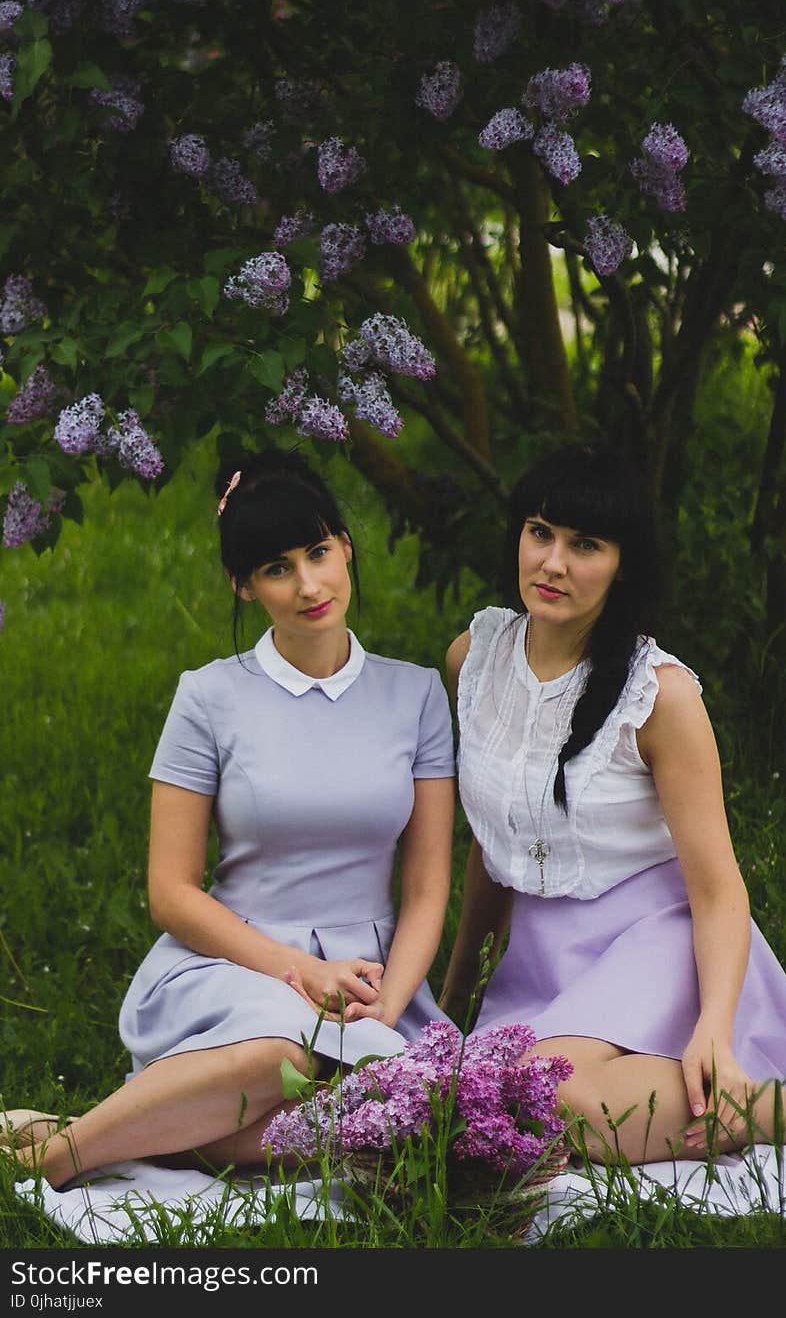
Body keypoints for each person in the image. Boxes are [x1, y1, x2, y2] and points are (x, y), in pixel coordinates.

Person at [3, 447, 456, 1188]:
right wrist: (306, 975)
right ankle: (60, 1159)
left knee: (400, 1113)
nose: (309, 583)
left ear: (345, 545)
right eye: (278, 567)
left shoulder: (416, 695)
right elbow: (170, 891)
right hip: (237, 964)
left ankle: (153, 1130)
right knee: (280, 1057)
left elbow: (429, 888)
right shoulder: (209, 696)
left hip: (376, 982)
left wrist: (383, 1013)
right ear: (242, 585)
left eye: (318, 551)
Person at [439, 442, 786, 1166]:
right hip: (543, 955)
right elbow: (491, 848)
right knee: (505, 1098)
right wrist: (453, 1002)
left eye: (585, 544)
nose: (552, 563)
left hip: (657, 934)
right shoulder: (473, 657)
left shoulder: (659, 696)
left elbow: (716, 887)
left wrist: (713, 1023)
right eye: (541, 532)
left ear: (623, 564)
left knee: (555, 1096)